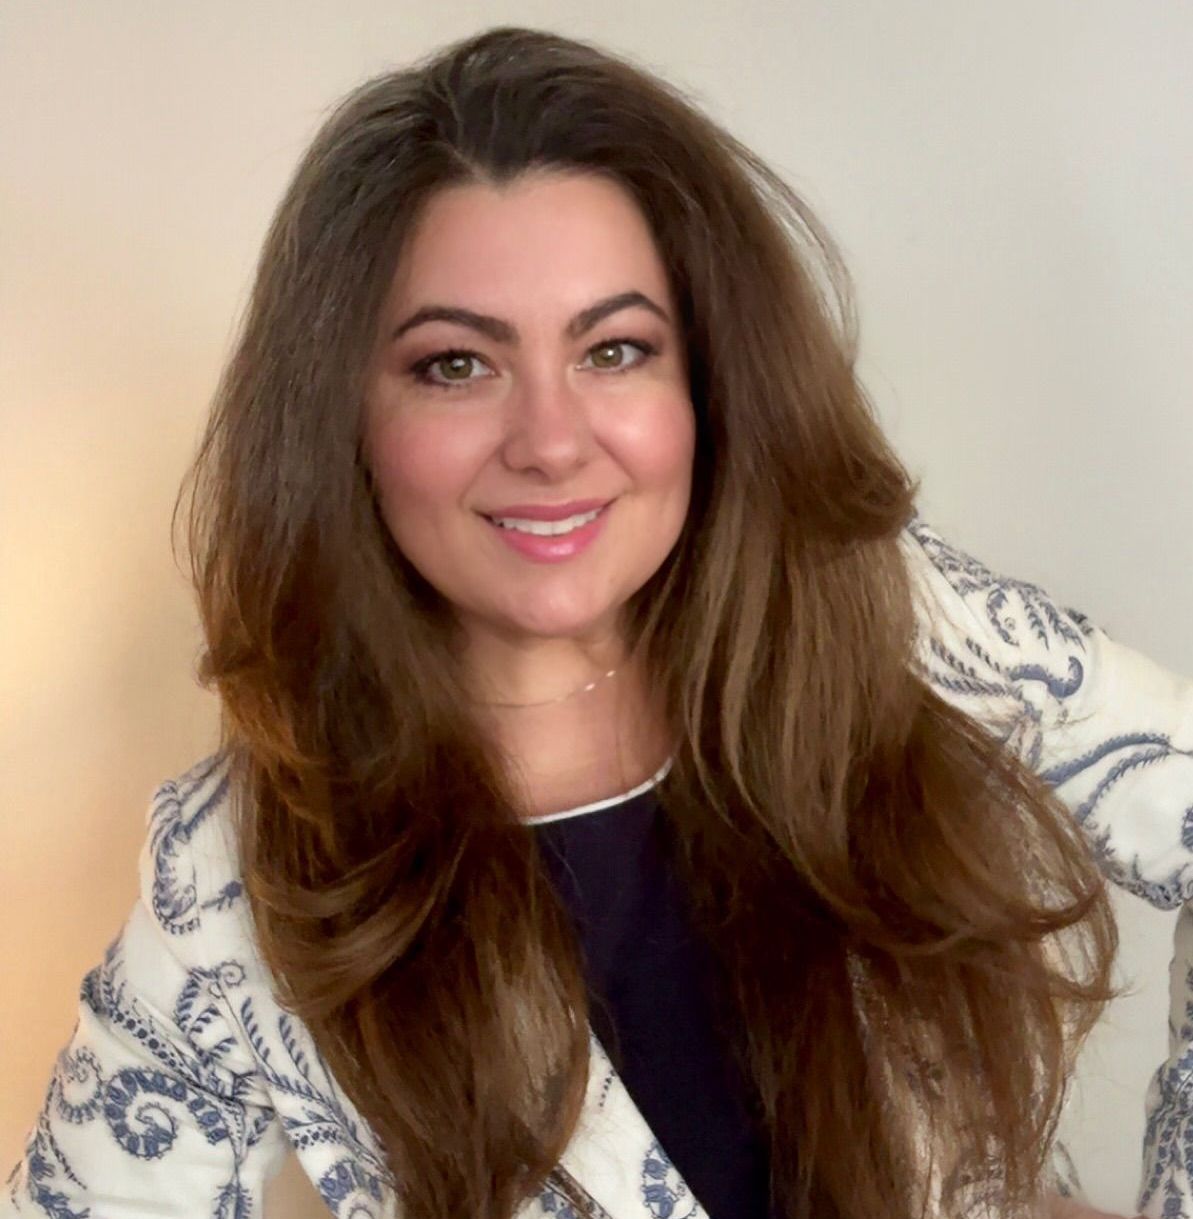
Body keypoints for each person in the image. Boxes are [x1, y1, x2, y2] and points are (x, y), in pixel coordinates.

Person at [5, 24, 1192, 1219]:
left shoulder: (884, 621)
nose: (551, 442)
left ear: (706, 385)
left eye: (614, 350)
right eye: (455, 365)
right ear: (343, 419)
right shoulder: (241, 870)